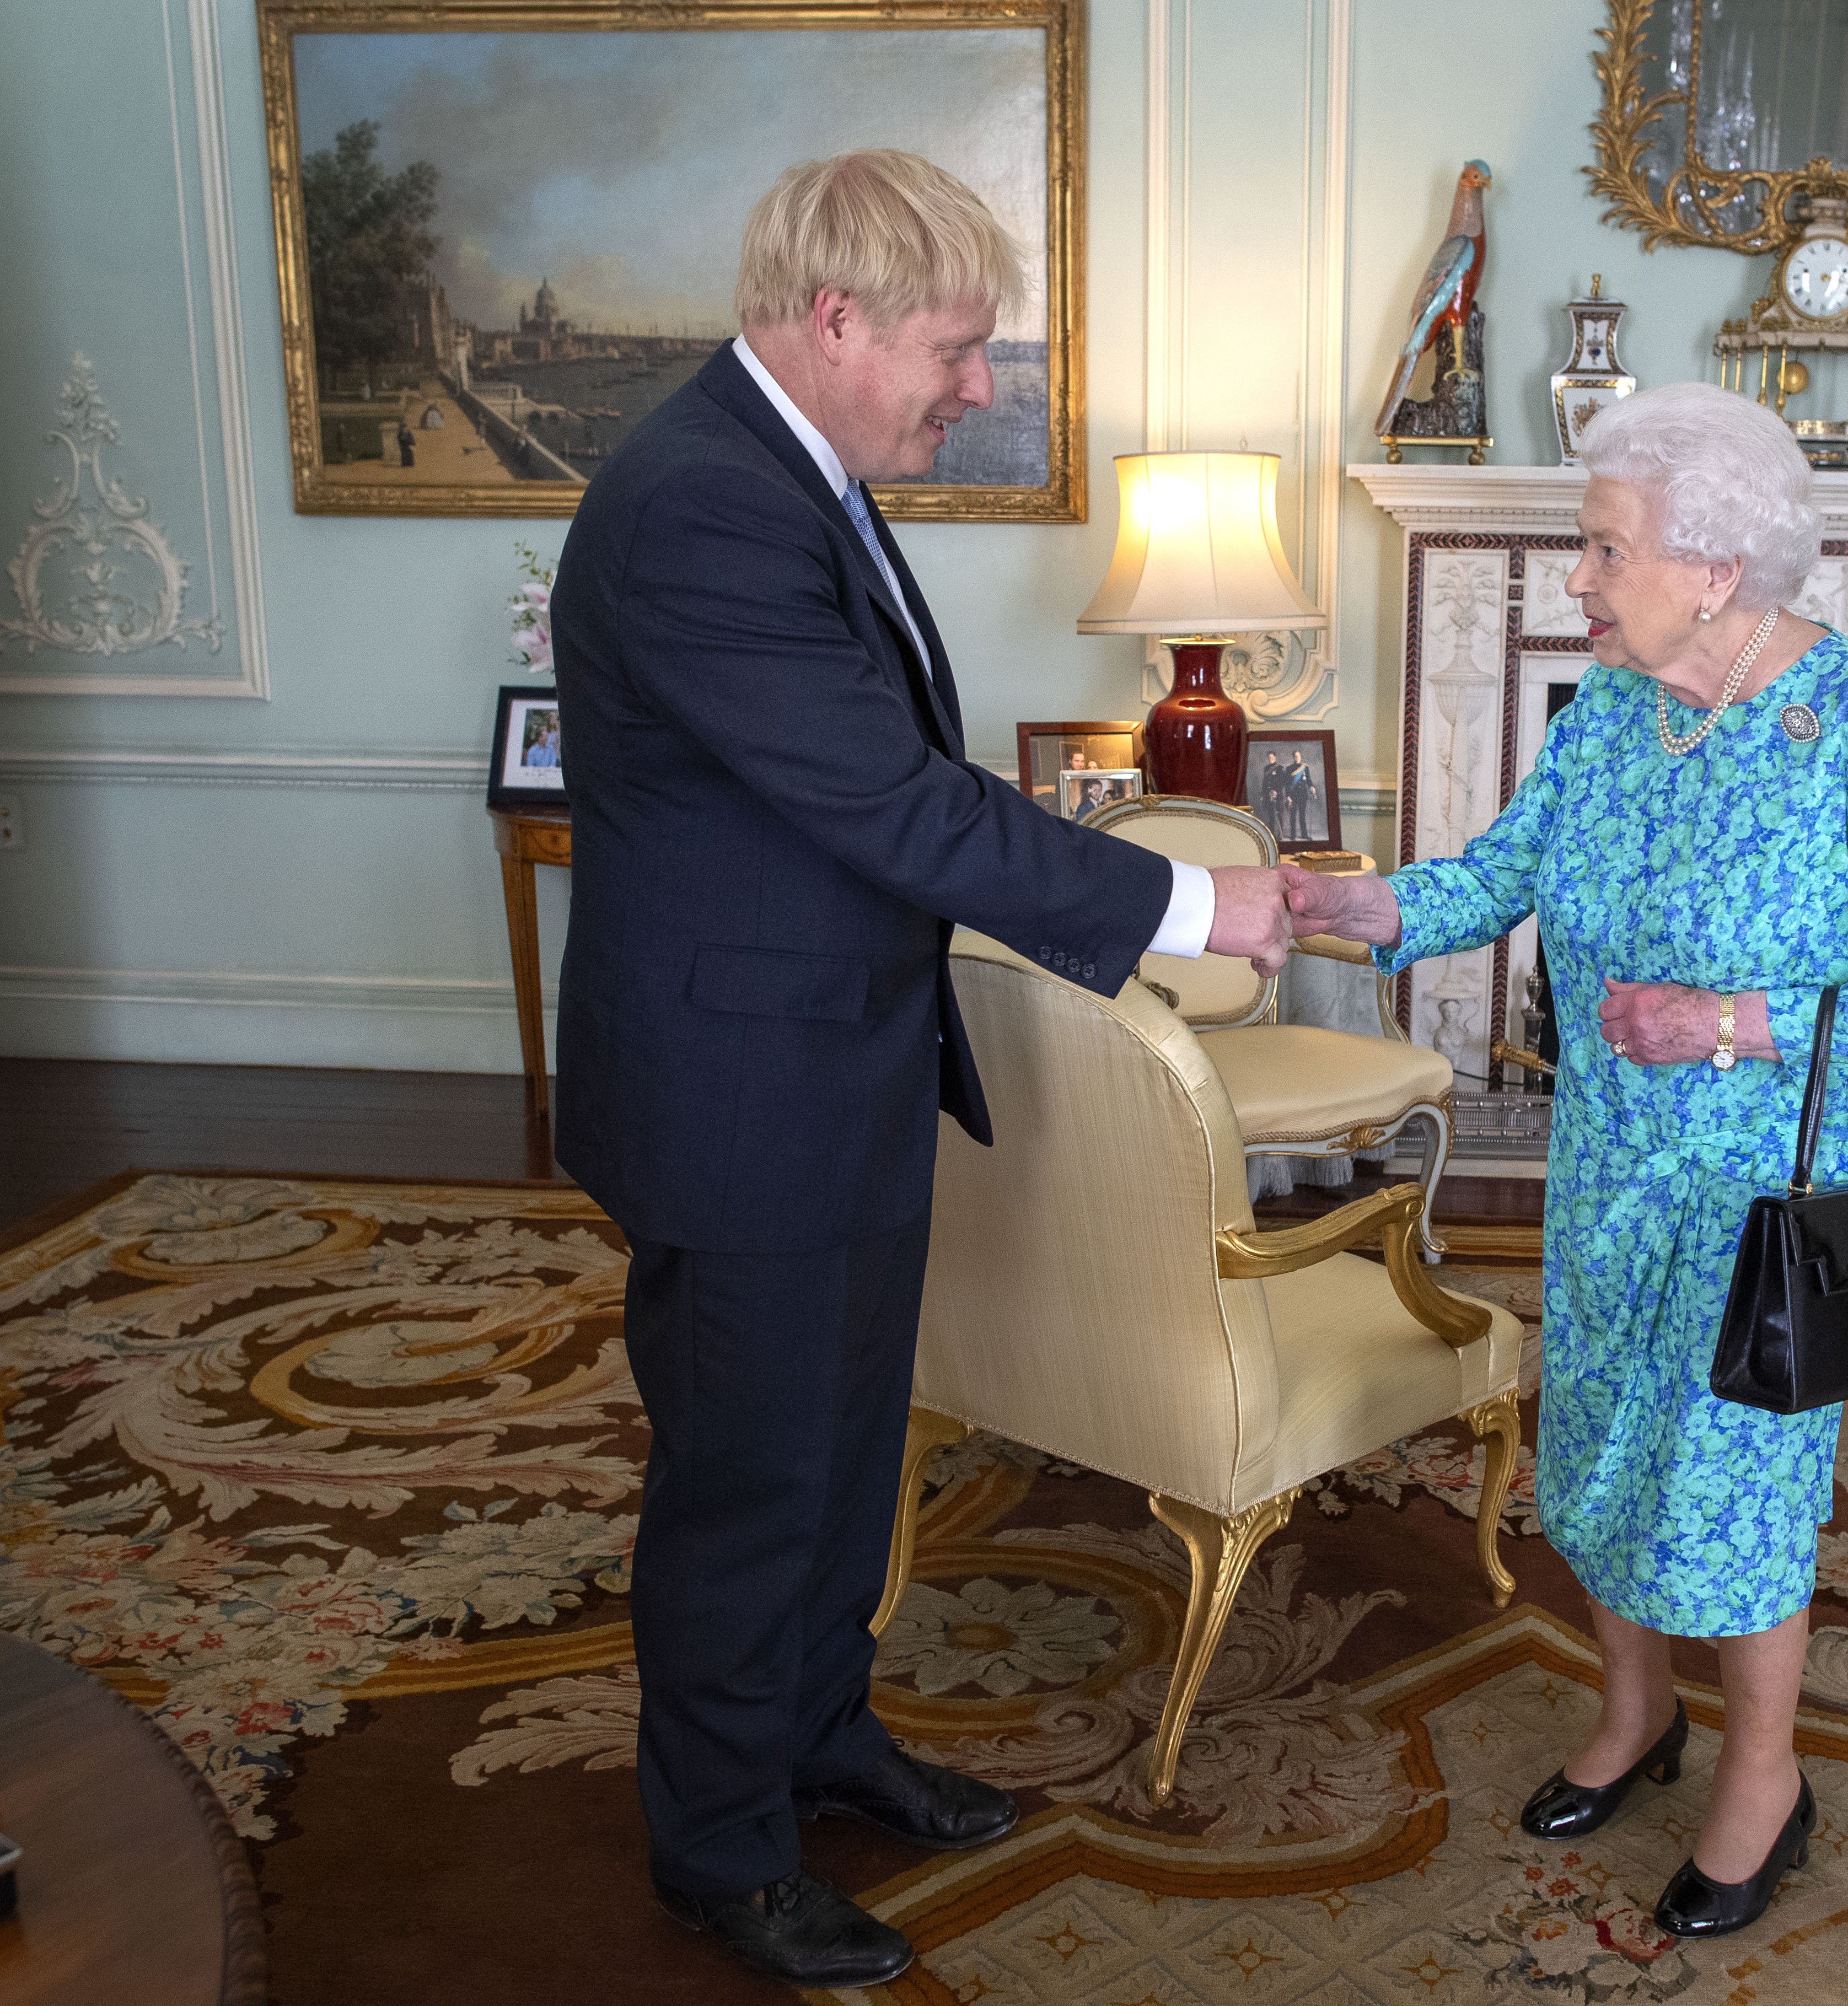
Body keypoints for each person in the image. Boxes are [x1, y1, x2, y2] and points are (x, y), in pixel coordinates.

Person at [548, 150, 1293, 1990]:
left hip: (830, 1064)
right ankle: (718, 1849)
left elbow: (874, 787)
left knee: (838, 1447)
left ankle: (818, 1743)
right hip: (743, 1097)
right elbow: (884, 800)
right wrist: (1197, 906)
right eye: (959, 350)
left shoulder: (791, 474)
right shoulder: (701, 508)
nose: (979, 388)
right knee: (751, 1484)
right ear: (836, 321)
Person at [1282, 381, 1848, 1940]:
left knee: (1732, 1484)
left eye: (1603, 549)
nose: (1578, 580)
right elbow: (1496, 876)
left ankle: (1764, 1771)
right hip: (1607, 1168)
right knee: (1600, 1446)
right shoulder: (1607, 711)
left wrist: (1727, 1020)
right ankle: (1631, 1716)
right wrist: (1359, 908)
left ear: (1715, 566)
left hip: (1766, 1189)